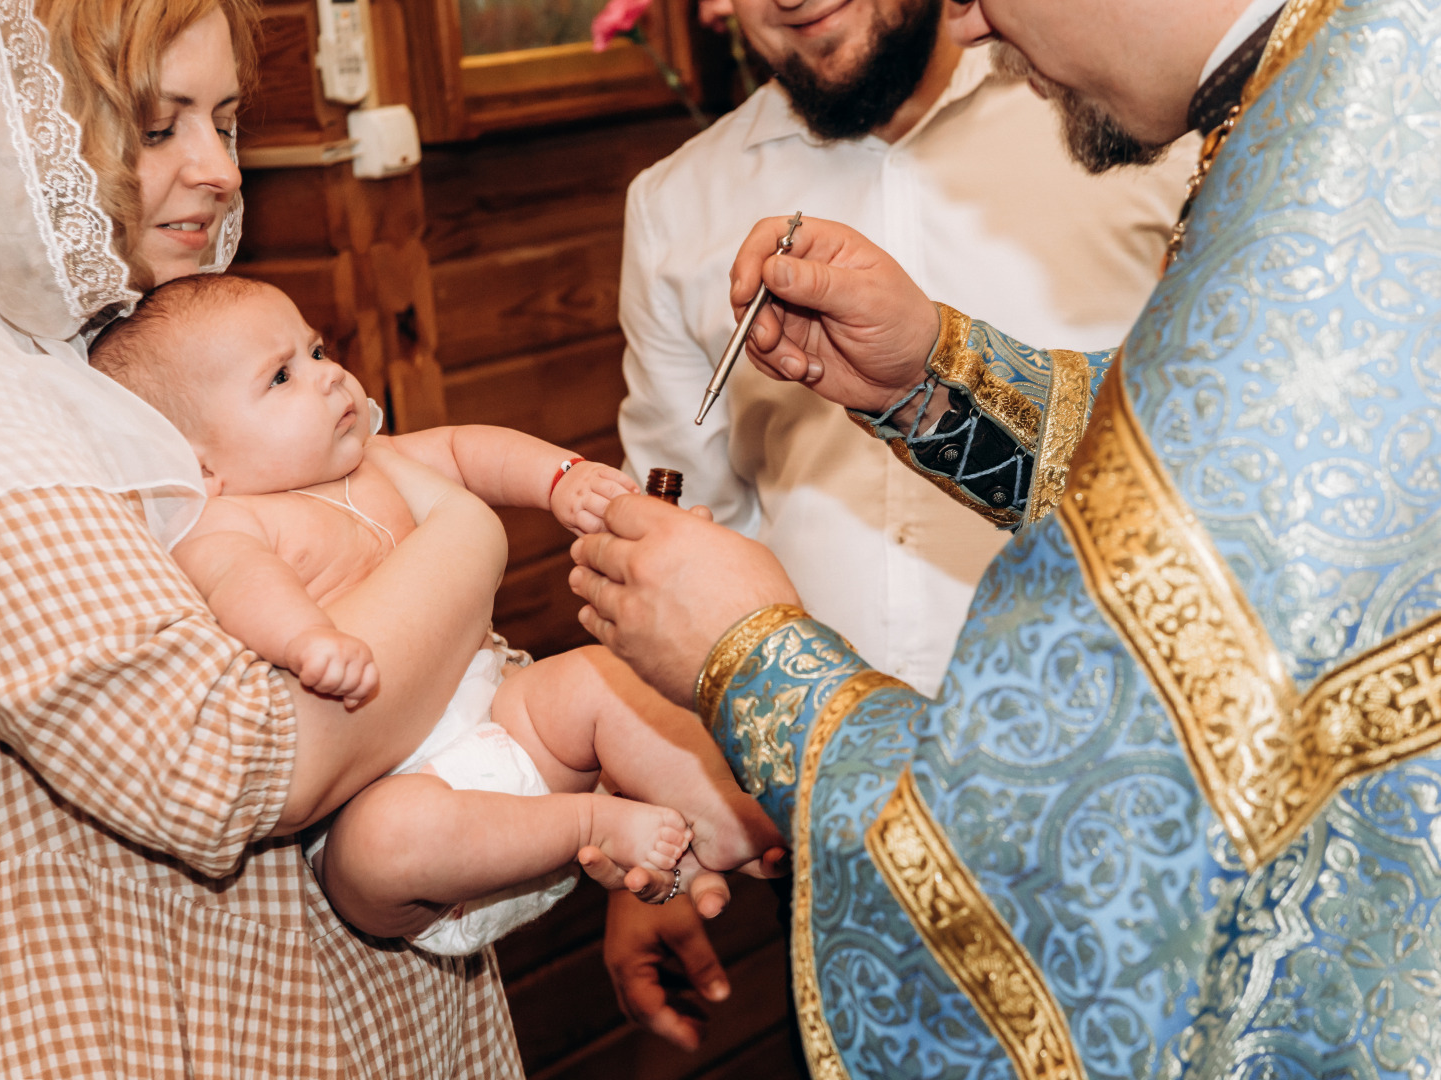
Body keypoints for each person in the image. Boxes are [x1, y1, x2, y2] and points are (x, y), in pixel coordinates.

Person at [572, 0, 1441, 1075]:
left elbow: (1075, 817)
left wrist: (749, 653)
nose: (972, 17)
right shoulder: (1347, 87)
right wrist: (935, 380)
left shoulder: (1343, 130)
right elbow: (1187, 483)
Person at [0, 0, 508, 1072]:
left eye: (225, 120)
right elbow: (230, 764)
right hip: (70, 1028)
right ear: (2, 123)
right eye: (155, 126)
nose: (223, 170)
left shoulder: (136, 344)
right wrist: (469, 529)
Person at [610, 0, 1196, 1048]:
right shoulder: (674, 206)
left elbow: (1193, 464)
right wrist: (636, 819)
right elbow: (681, 523)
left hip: (1139, 825)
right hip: (840, 838)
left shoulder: (1118, 105)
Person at [86, 274, 784, 956]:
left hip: (506, 727)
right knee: (386, 839)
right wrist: (304, 638)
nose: (328, 376)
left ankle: (725, 812)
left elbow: (465, 450)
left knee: (599, 681)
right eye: (280, 377)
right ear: (200, 465)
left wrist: (558, 478)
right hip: (403, 810)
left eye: (319, 351)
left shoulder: (376, 460)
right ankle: (588, 820)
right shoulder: (228, 518)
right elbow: (241, 581)